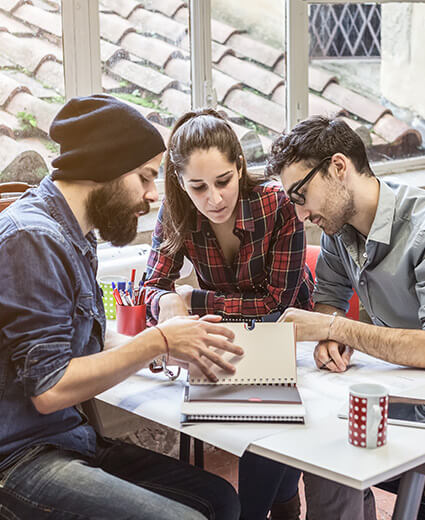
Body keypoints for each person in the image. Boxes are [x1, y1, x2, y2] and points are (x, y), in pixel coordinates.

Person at [0, 95, 244, 520]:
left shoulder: (74, 232)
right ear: (105, 168)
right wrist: (158, 340)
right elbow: (50, 389)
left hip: (67, 439)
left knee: (220, 499)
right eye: (145, 176)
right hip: (19, 458)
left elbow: (87, 340)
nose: (152, 195)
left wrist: (169, 352)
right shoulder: (32, 238)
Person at [144, 108, 313, 520]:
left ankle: (258, 512)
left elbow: (276, 302)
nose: (214, 199)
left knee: (267, 418)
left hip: (290, 331)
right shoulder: (175, 210)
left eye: (223, 181)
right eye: (198, 187)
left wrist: (193, 300)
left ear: (239, 166)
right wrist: (164, 301)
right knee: (267, 420)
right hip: (229, 335)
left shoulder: (277, 203)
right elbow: (151, 285)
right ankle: (285, 506)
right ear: (179, 181)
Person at [266, 114, 425, 520]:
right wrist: (331, 337)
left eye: (301, 195)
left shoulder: (421, 227)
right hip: (402, 394)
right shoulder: (338, 233)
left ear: (338, 167)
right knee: (322, 445)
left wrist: (333, 327)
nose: (300, 215)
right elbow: (330, 298)